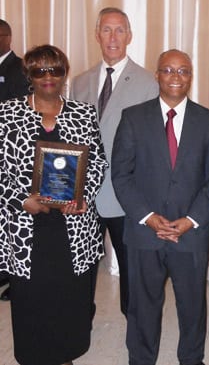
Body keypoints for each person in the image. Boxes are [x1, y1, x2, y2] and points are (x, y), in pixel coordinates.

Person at [111, 49, 209, 365]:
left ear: (190, 76)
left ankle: (192, 358)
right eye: (168, 70)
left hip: (190, 233)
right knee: (143, 305)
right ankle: (141, 359)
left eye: (183, 71)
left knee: (192, 306)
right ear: (157, 75)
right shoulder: (133, 117)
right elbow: (121, 175)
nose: (176, 77)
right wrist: (148, 218)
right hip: (144, 232)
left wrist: (191, 220)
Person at [0, 44, 108, 365]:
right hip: (25, 225)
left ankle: (66, 354)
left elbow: (98, 163)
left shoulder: (83, 112)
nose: (48, 77)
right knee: (31, 297)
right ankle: (34, 356)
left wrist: (82, 196)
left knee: (68, 295)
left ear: (65, 73)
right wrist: (21, 199)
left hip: (72, 226)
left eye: (55, 70)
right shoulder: (5, 115)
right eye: (40, 70)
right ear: (29, 74)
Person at [70, 7, 158, 317]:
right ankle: (80, 323)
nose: (113, 37)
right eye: (106, 30)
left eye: (119, 30)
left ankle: (135, 328)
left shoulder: (149, 83)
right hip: (84, 196)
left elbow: (152, 145)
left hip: (126, 196)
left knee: (132, 270)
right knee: (81, 267)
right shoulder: (78, 83)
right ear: (97, 35)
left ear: (130, 36)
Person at [0, 18, 29, 302]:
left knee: (11, 218)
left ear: (8, 36)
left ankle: (13, 277)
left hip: (12, 154)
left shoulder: (19, 69)